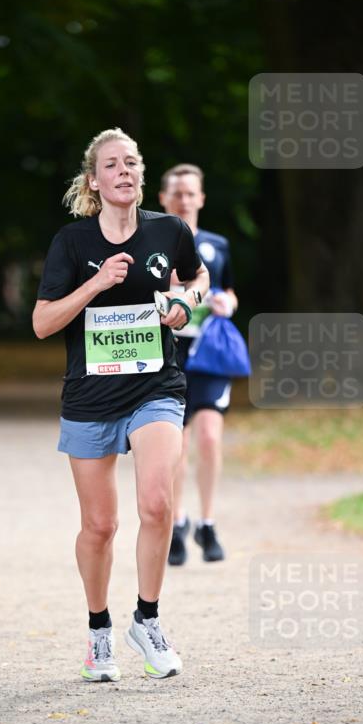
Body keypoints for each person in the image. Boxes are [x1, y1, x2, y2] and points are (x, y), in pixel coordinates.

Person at [33, 129, 209, 682]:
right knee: (100, 526)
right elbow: (42, 323)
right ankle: (98, 632)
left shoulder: (168, 230)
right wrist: (95, 285)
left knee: (156, 504)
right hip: (90, 396)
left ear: (141, 174)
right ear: (94, 181)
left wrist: (185, 302)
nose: (124, 171)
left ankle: (147, 620)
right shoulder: (72, 243)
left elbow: (197, 276)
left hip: (156, 386)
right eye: (112, 165)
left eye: (131, 162)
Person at [159, 164, 238, 566]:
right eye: (177, 193)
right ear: (163, 198)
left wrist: (227, 303)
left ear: (201, 198)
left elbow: (229, 290)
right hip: (167, 354)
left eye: (191, 193)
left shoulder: (217, 245)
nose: (184, 200)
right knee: (177, 445)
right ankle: (177, 524)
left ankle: (207, 523)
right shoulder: (149, 244)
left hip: (209, 354)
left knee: (209, 438)